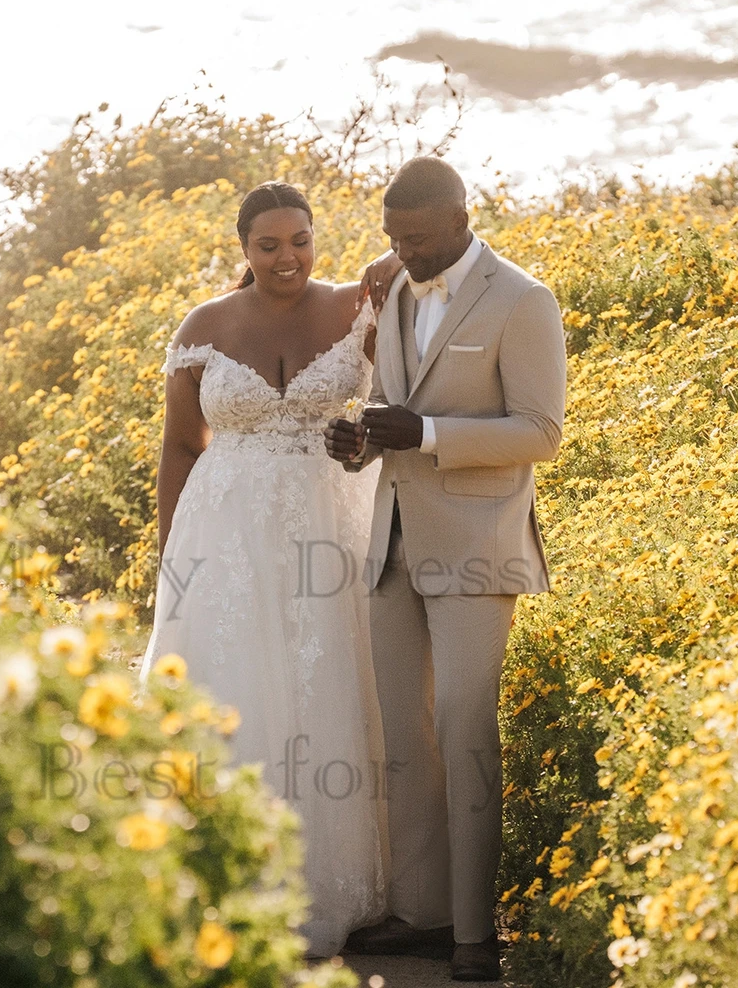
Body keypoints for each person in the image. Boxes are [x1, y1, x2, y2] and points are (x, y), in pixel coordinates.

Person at [137, 181, 402, 958]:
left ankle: (339, 885)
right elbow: (182, 447)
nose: (288, 258)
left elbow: (395, 405)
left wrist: (386, 261)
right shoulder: (205, 326)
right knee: (232, 684)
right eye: (269, 245)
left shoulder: (360, 307)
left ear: (317, 239)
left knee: (336, 685)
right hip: (224, 532)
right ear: (244, 250)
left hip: (331, 518)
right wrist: (170, 560)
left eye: (301, 240)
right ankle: (220, 877)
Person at [325, 156, 567, 982]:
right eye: (395, 238)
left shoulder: (523, 300)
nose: (406, 254)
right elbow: (392, 414)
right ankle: (424, 915)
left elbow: (539, 432)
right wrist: (360, 442)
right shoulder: (393, 289)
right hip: (391, 544)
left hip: (476, 547)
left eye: (419, 240)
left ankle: (474, 933)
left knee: (465, 728)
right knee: (405, 738)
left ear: (464, 217)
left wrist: (423, 433)